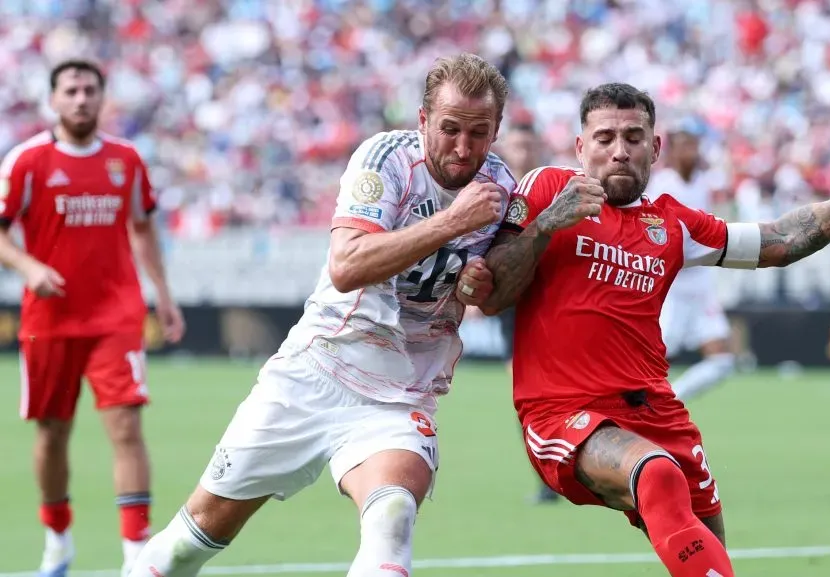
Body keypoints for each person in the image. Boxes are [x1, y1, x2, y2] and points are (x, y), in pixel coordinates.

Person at [458, 83, 830, 576]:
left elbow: (784, 239)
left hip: (658, 411)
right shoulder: (547, 187)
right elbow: (493, 295)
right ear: (580, 147)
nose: (619, 150)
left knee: (709, 548)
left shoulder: (672, 224)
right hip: (563, 412)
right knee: (656, 474)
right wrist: (547, 224)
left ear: (655, 148)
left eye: (634, 137)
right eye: (605, 137)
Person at [128, 52, 515, 577]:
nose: (463, 148)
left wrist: (486, 280)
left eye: (479, 132)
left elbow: (493, 297)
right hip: (316, 370)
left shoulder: (502, 187)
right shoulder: (386, 159)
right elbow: (347, 265)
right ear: (423, 120)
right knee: (189, 543)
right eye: (449, 129)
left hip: (400, 393)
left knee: (393, 515)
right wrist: (451, 223)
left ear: (496, 131)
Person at [0, 60, 185, 577]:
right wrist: (28, 265)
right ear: (53, 100)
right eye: (71, 90)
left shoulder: (126, 160)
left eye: (89, 90)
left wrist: (164, 296)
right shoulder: (27, 162)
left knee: (126, 426)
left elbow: (144, 228)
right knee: (52, 433)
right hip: (49, 318)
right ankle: (58, 541)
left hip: (115, 315)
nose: (81, 99)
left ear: (103, 99)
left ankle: (135, 556)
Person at [487, 117, 561, 505]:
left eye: (528, 146)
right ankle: (547, 478)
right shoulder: (496, 191)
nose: (522, 153)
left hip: (551, 302)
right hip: (513, 308)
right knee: (526, 396)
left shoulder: (550, 188)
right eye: (516, 146)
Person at [646, 118, 736, 401]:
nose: (691, 150)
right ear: (672, 150)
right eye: (685, 144)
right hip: (671, 288)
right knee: (647, 362)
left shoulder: (703, 183)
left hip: (701, 285)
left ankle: (670, 400)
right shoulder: (661, 186)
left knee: (723, 361)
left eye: (694, 144)